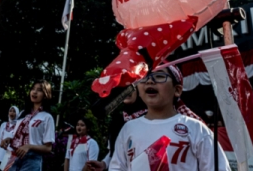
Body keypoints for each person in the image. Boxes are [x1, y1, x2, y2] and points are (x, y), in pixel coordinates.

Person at [96, 66, 230, 171]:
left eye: (159, 76)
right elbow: (117, 167)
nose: (150, 81)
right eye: (144, 77)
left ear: (177, 90)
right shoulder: (128, 128)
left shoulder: (196, 128)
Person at [0, 79, 55, 171]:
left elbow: (48, 148)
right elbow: (17, 135)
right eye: (33, 89)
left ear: (46, 95)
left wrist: (29, 146)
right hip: (13, 155)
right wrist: (9, 139)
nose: (35, 92)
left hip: (31, 158)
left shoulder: (47, 117)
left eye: (39, 90)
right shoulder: (23, 114)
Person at [0, 106, 20, 171]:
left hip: (9, 157)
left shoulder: (18, 127)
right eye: (10, 111)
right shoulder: (3, 125)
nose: (12, 113)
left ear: (17, 113)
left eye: (14, 111)